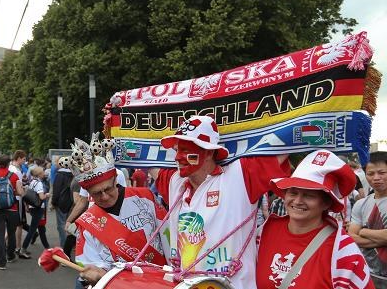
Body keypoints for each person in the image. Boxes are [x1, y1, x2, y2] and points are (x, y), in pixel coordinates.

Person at [151, 115, 289, 288]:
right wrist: (120, 121)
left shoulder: (240, 176)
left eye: (185, 150)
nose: (178, 157)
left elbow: (286, 145)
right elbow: (148, 163)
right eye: (177, 150)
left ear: (209, 152)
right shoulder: (176, 183)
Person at [257, 149, 374, 288]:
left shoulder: (343, 249)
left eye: (309, 195)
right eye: (293, 192)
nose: (298, 201)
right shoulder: (265, 231)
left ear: (326, 203)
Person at [70, 135, 170, 286]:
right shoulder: (87, 223)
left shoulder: (145, 197)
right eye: (97, 193)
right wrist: (95, 273)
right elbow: (90, 264)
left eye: (108, 189)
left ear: (115, 181)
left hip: (158, 282)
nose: (104, 196)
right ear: (88, 193)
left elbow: (168, 234)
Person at [350, 151, 387, 287]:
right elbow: (352, 237)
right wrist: (382, 239)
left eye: (381, 172)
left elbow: (357, 234)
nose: (376, 178)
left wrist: (364, 232)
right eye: (370, 174)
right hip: (368, 276)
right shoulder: (361, 204)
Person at [0, 155, 24, 269]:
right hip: (12, 209)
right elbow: (20, 193)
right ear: (9, 164)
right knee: (11, 233)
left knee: (0, 235)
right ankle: (10, 255)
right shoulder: (13, 176)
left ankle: (1, 262)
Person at [21, 167, 51, 255]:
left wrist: (27, 206)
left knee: (41, 228)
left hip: (32, 207)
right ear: (39, 174)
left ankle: (47, 247)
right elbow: (41, 197)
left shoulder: (32, 182)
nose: (44, 173)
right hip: (39, 208)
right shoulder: (39, 184)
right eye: (42, 172)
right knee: (33, 229)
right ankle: (23, 248)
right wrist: (47, 195)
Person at [10, 150, 30, 259]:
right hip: (18, 199)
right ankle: (17, 247)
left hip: (12, 198)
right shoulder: (17, 171)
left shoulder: (11, 168)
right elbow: (20, 188)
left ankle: (15, 246)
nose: (25, 161)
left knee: (16, 224)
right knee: (18, 224)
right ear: (18, 158)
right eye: (23, 159)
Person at [51, 156, 74, 247]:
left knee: (61, 225)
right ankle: (70, 245)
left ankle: (64, 246)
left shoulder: (59, 175)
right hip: (71, 202)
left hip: (61, 203)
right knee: (70, 224)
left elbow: (56, 191)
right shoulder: (73, 174)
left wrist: (53, 202)